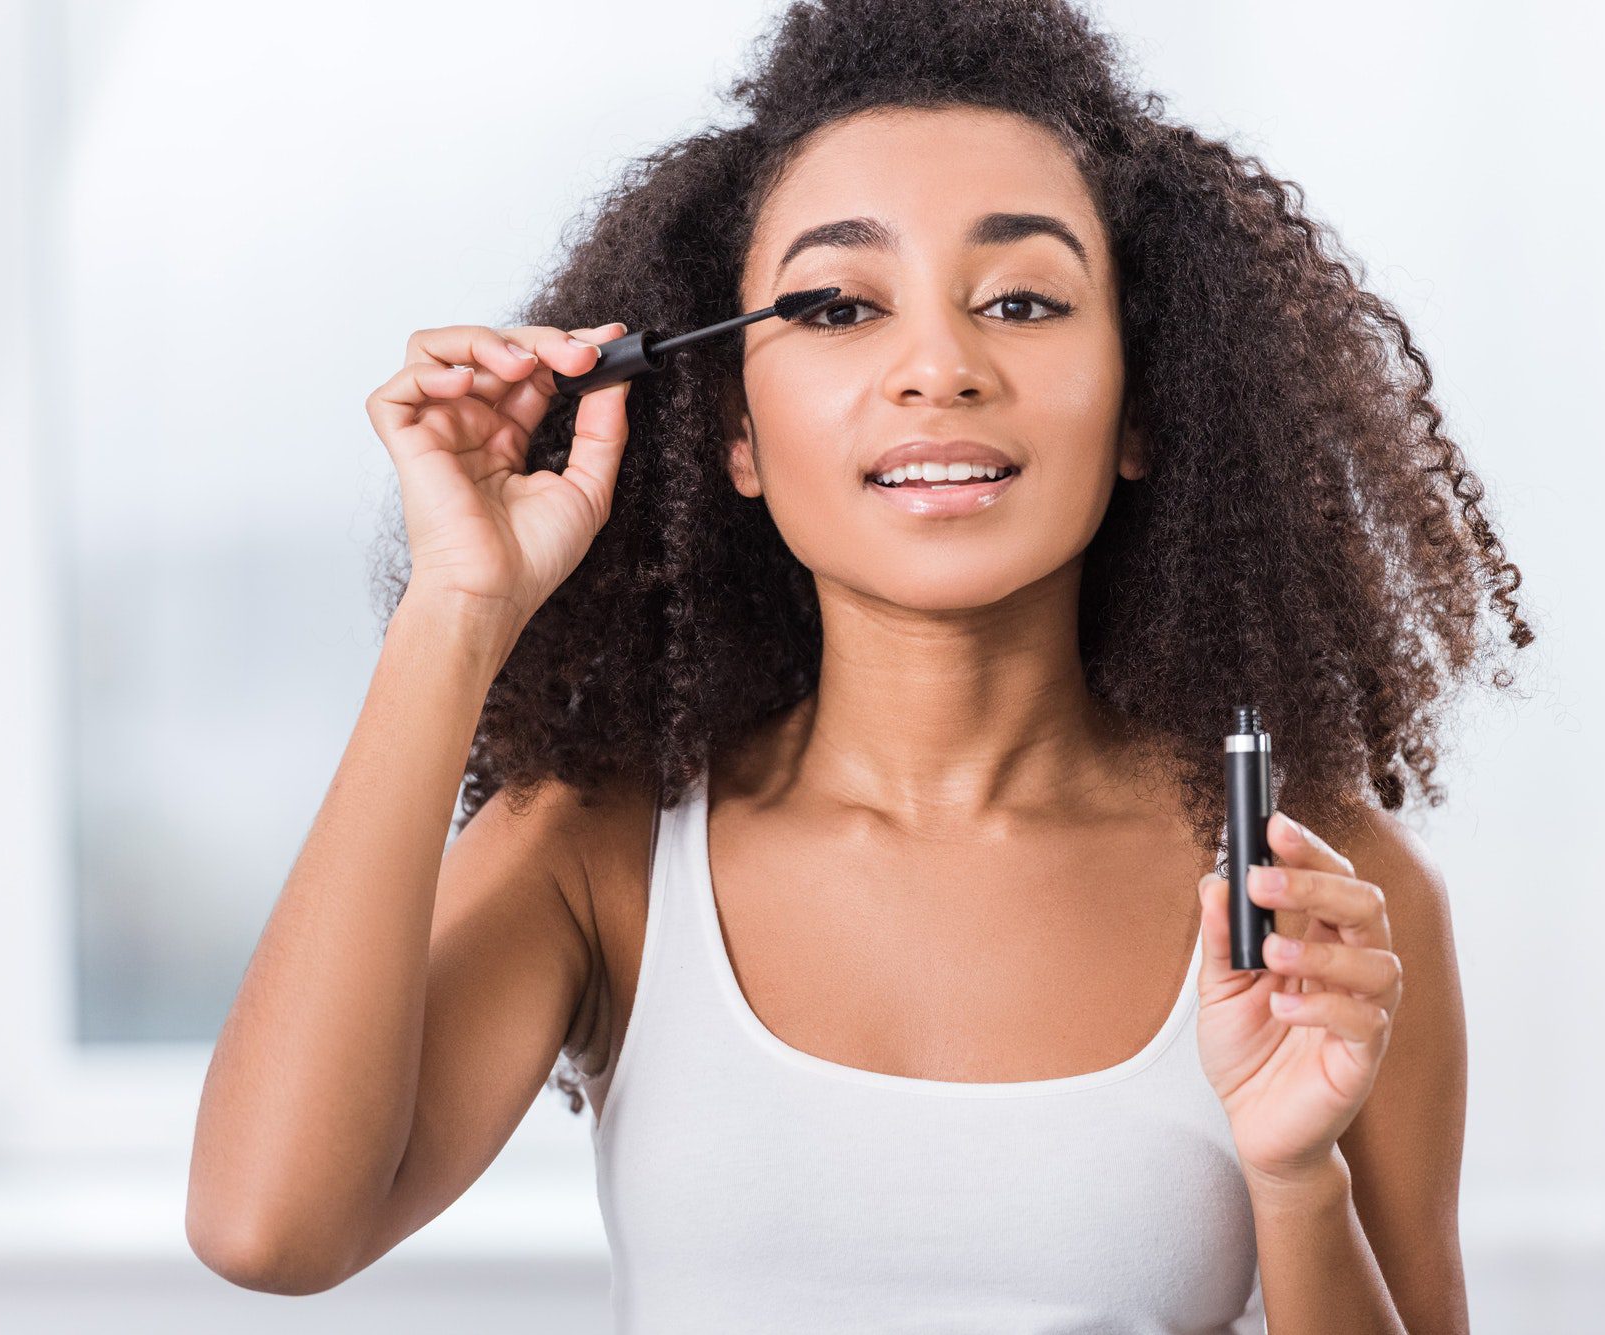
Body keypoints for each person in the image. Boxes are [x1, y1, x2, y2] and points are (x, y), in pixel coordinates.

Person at [187, 1, 1530, 1329]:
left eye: (1021, 300)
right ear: (736, 430)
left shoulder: (1315, 895)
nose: (938, 367)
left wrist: (1296, 1182)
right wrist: (457, 607)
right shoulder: (597, 849)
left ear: (1141, 404)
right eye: (837, 308)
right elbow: (269, 1228)